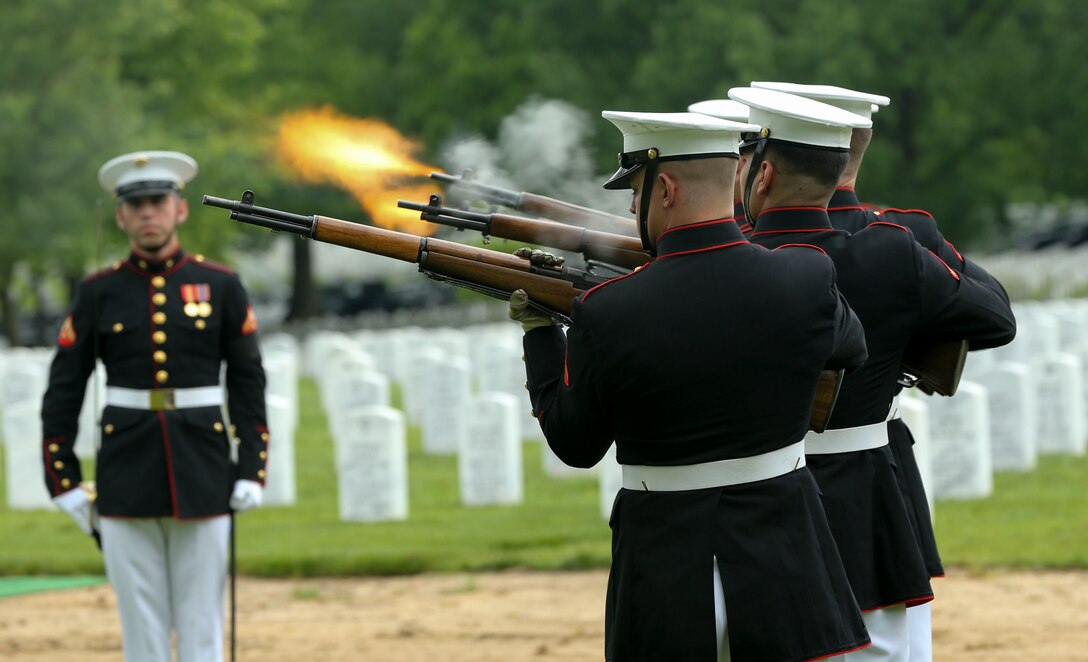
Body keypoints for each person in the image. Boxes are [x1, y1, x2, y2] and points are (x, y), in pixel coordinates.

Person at [510, 111, 871, 661]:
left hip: (665, 568)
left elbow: (576, 444)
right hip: (787, 554)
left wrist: (540, 335)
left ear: (668, 188)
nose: (633, 207)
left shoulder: (608, 311)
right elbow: (852, 348)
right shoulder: (805, 275)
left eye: (637, 190)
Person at [730, 86, 1016, 661]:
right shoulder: (896, 243)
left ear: (761, 173)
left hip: (748, 495)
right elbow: (995, 318)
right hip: (863, 482)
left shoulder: (730, 254)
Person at [41, 150, 269, 662]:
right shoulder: (99, 292)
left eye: (158, 202)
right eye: (137, 204)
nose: (148, 213)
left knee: (201, 624)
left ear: (180, 210)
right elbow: (64, 390)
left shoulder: (221, 285)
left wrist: (252, 468)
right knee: (140, 627)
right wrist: (64, 480)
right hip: (126, 470)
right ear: (121, 216)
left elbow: (248, 382)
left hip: (204, 466)